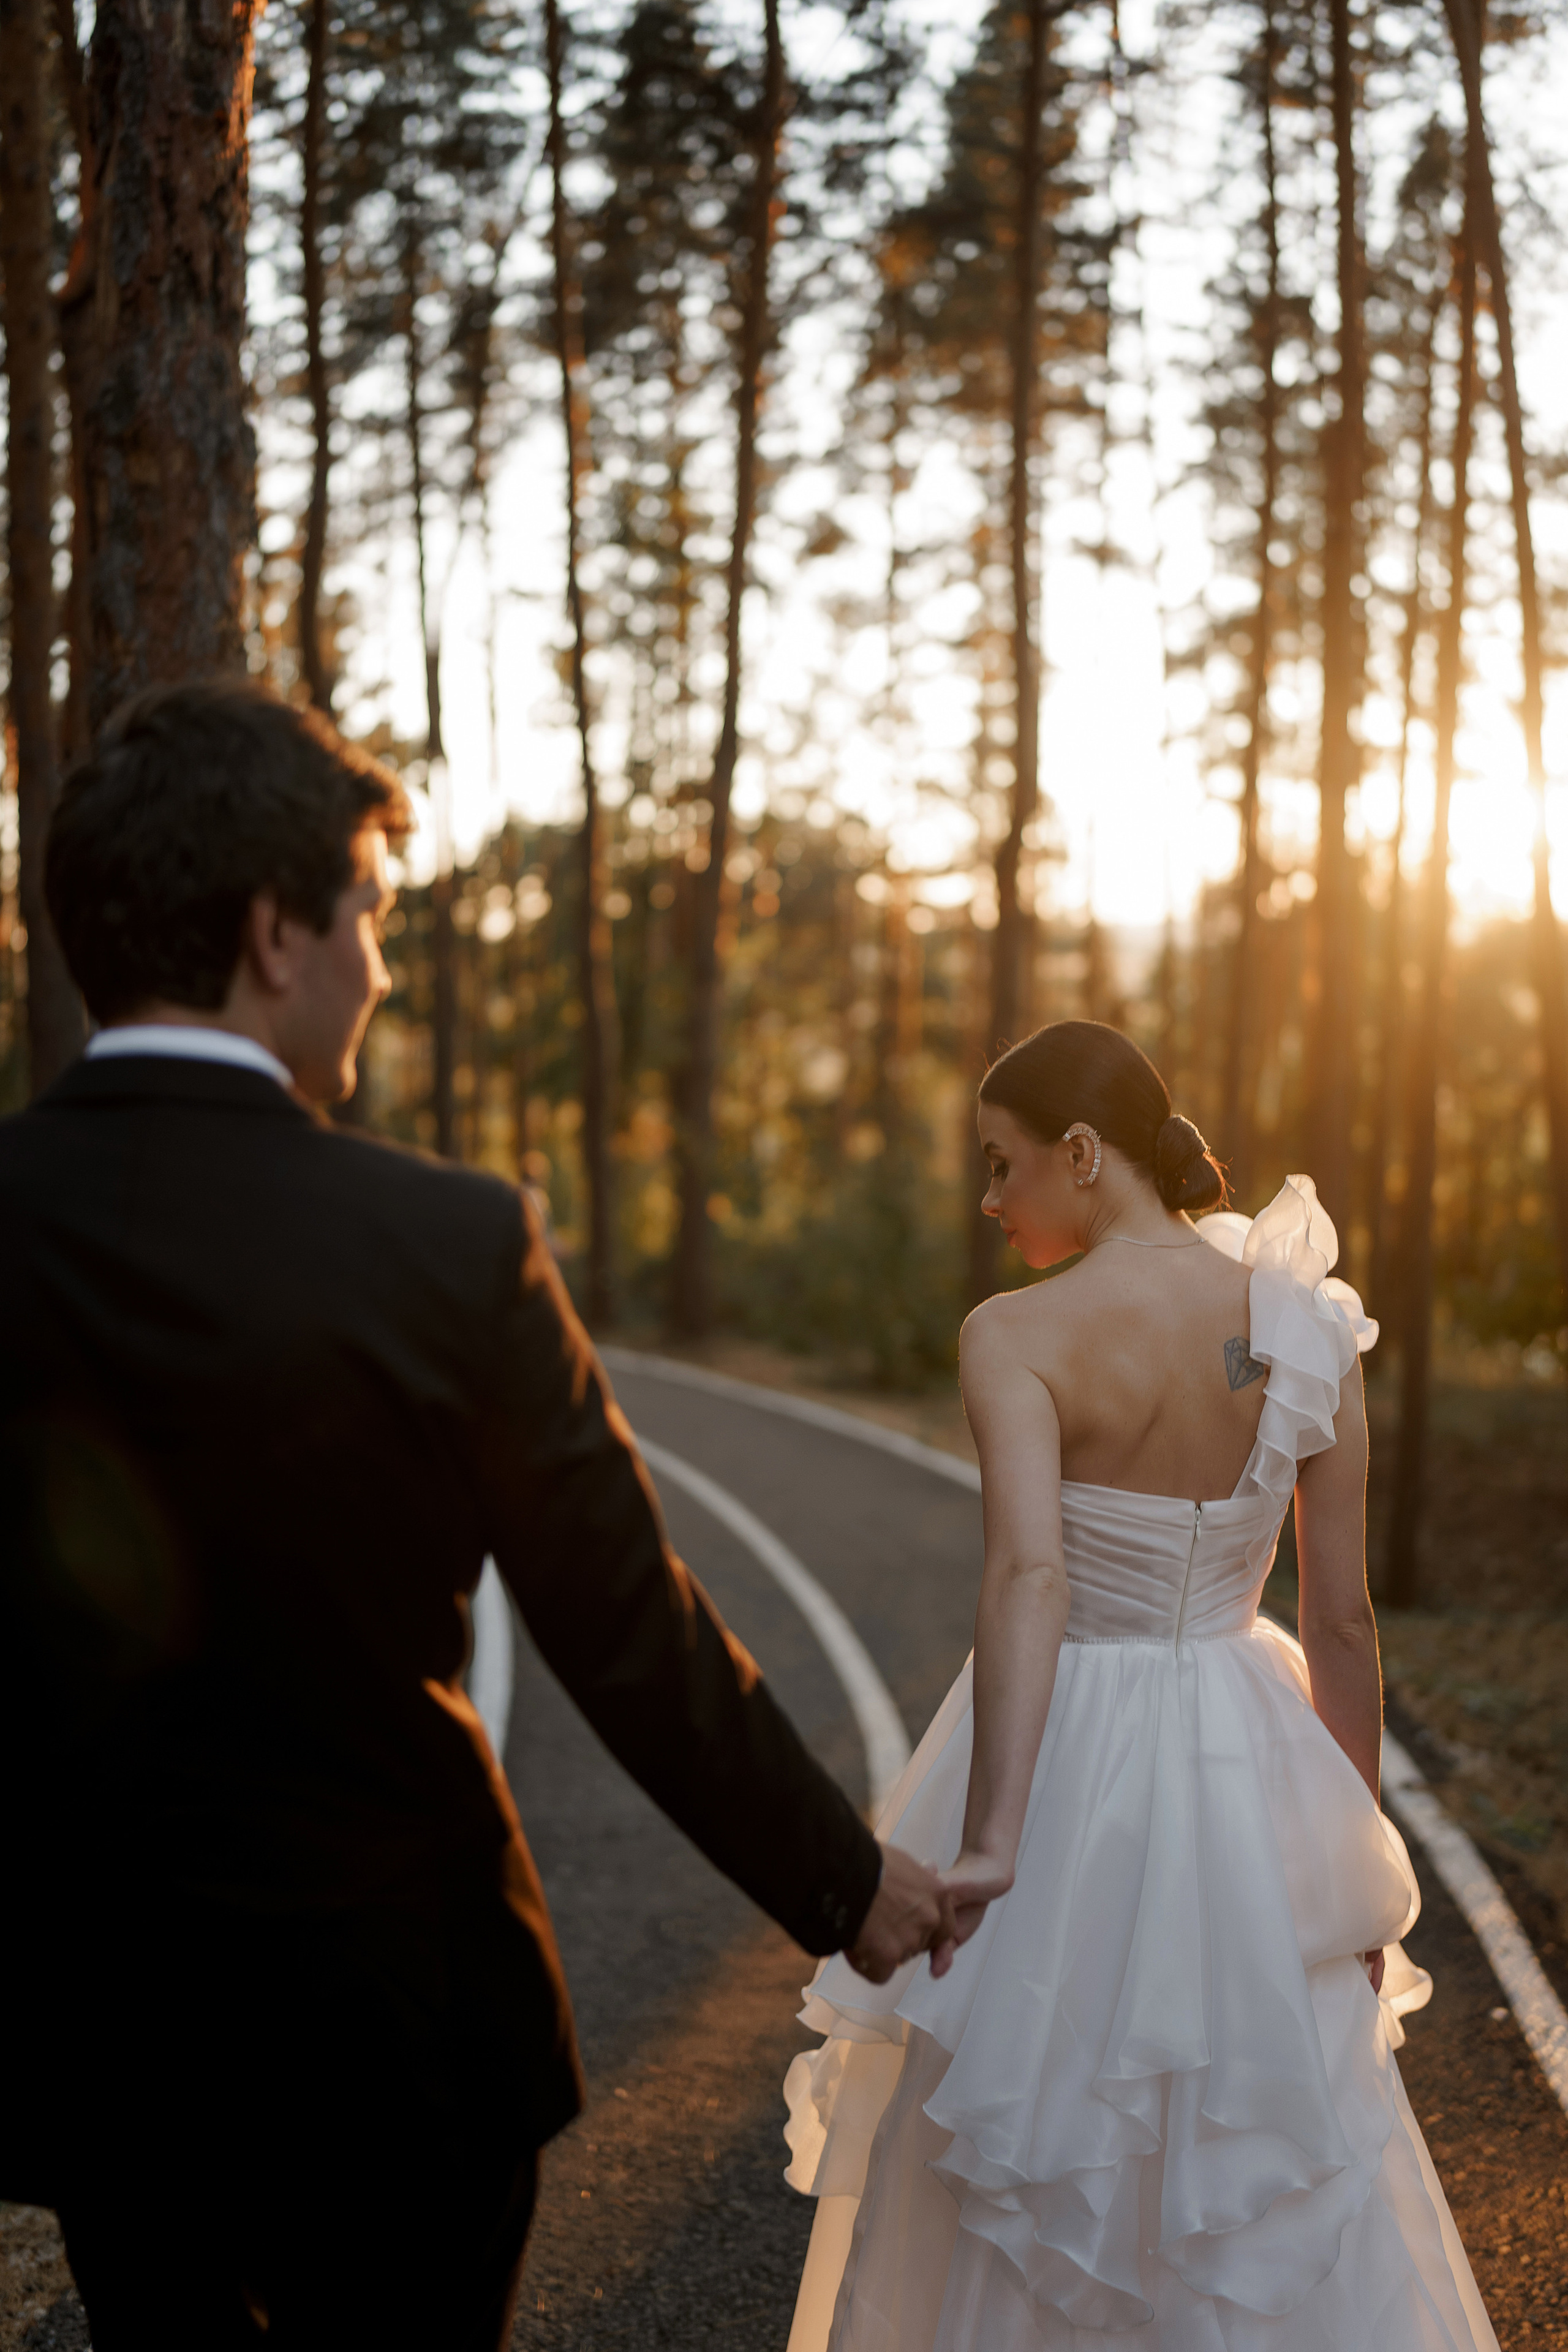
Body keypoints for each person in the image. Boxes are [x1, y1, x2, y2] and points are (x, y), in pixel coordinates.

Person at [0, 681, 969, 2351]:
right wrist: (847, 1886)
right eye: (366, 913)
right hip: (404, 2039)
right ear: (272, 934)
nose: (379, 962)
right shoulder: (449, 1243)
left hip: (99, 2046)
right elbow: (626, 1626)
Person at [783, 1021, 1499, 2351]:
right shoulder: (1303, 1328)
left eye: (1001, 1166)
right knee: (1268, 2138)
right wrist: (1349, 1869)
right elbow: (1337, 1619)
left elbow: (1027, 1587)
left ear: (1079, 1150)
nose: (991, 1203)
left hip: (1068, 1760)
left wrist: (991, 1836)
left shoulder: (1013, 1336)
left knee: (1036, 2133)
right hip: (1249, 1745)